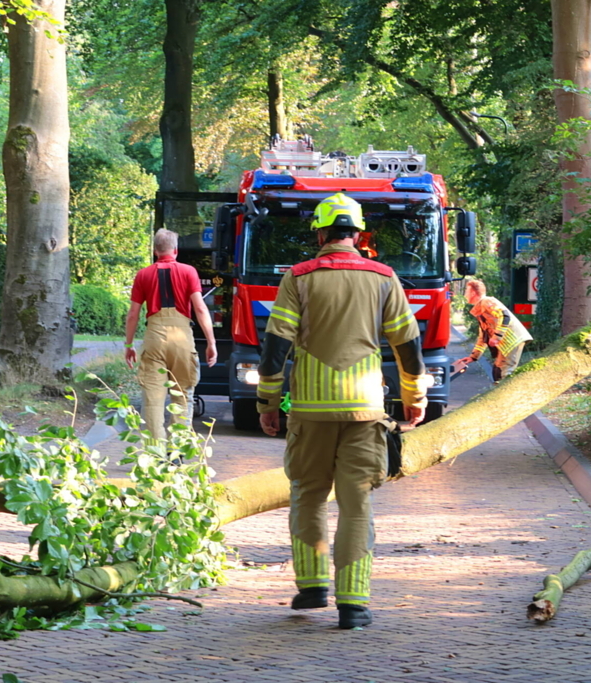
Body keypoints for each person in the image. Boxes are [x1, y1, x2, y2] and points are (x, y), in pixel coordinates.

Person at [257, 192, 428, 630]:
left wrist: (268, 403)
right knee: (356, 505)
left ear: (319, 232)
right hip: (365, 410)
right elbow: (407, 347)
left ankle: (312, 586)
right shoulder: (385, 277)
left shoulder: (298, 277)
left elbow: (276, 346)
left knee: (308, 495)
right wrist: (415, 398)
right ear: (358, 233)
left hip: (310, 412)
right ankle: (354, 605)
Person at [124, 229, 218, 441]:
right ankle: (177, 451)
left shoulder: (143, 275)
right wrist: (211, 342)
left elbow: (133, 315)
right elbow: (201, 309)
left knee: (153, 399)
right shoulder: (189, 272)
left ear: (155, 251)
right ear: (176, 250)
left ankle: (154, 453)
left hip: (154, 336)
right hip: (182, 336)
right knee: (182, 395)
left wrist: (128, 345)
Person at [457, 278, 532, 380]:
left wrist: (496, 337)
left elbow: (505, 316)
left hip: (512, 340)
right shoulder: (481, 309)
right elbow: (484, 336)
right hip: (507, 343)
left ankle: (506, 394)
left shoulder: (487, 301)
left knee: (504, 373)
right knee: (497, 371)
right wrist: (474, 356)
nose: (465, 295)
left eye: (467, 292)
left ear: (473, 293)